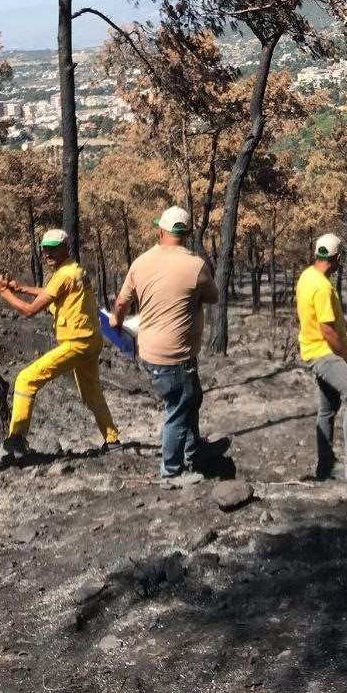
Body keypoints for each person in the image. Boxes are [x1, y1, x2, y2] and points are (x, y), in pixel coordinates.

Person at [111, 206, 224, 487]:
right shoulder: (195, 265)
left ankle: (193, 449)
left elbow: (122, 303)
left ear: (160, 231)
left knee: (191, 398)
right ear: (187, 234)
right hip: (176, 356)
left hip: (150, 351)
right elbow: (213, 297)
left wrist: (116, 320)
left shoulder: (141, 262)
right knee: (178, 409)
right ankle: (172, 472)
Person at [0, 229, 119, 456]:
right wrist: (22, 289)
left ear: (66, 248)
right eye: (45, 248)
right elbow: (54, 292)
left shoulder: (63, 275)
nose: (48, 253)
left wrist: (4, 293)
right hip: (91, 340)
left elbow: (30, 311)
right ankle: (112, 440)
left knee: (25, 380)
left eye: (53, 248)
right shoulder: (73, 270)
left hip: (76, 342)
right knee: (92, 394)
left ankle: (16, 439)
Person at [296, 233, 347, 483]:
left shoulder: (307, 276)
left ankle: (325, 466)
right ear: (338, 258)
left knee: (328, 408)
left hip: (312, 350)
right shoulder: (321, 286)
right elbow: (327, 330)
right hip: (324, 353)